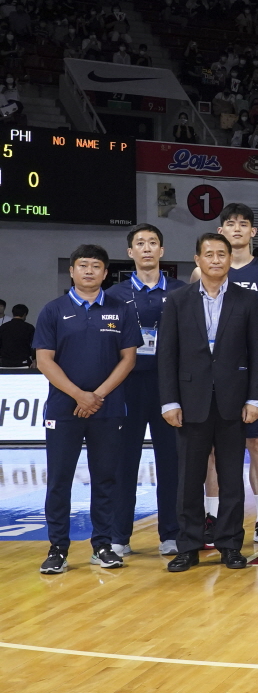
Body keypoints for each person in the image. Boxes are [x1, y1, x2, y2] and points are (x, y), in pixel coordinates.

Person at [158, 233, 258, 572]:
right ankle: (188, 545)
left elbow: (257, 354)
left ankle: (230, 544)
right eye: (210, 254)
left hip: (234, 404)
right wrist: (169, 402)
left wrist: (254, 398)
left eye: (223, 254)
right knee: (189, 479)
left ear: (230, 259)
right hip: (190, 403)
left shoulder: (247, 301)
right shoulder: (177, 301)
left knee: (231, 477)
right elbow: (167, 356)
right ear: (198, 259)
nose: (217, 259)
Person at [34, 245, 142, 574]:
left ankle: (103, 544)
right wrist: (79, 395)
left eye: (96, 266)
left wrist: (97, 395)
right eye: (83, 265)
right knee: (60, 480)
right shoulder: (53, 311)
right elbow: (44, 360)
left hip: (108, 410)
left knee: (106, 478)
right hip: (64, 409)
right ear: (71, 271)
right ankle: (58, 549)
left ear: (106, 273)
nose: (89, 271)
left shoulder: (121, 308)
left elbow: (129, 358)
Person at [200, 204, 258, 548]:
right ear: (221, 230)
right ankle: (212, 516)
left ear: (253, 232)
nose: (237, 229)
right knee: (211, 449)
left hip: (253, 370)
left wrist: (257, 354)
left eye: (243, 224)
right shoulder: (202, 273)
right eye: (230, 224)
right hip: (213, 373)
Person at [105, 225, 181, 558]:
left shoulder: (180, 291)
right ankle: (119, 535)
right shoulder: (115, 295)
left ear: (162, 251)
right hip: (128, 387)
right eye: (140, 244)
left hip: (169, 388)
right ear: (130, 252)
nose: (147, 248)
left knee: (171, 463)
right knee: (124, 463)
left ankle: (172, 534)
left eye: (152, 243)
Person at [0, 302, 34, 367]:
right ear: (24, 314)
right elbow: (34, 345)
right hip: (23, 361)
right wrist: (35, 359)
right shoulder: (29, 327)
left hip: (5, 362)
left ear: (13, 313)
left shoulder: (3, 327)